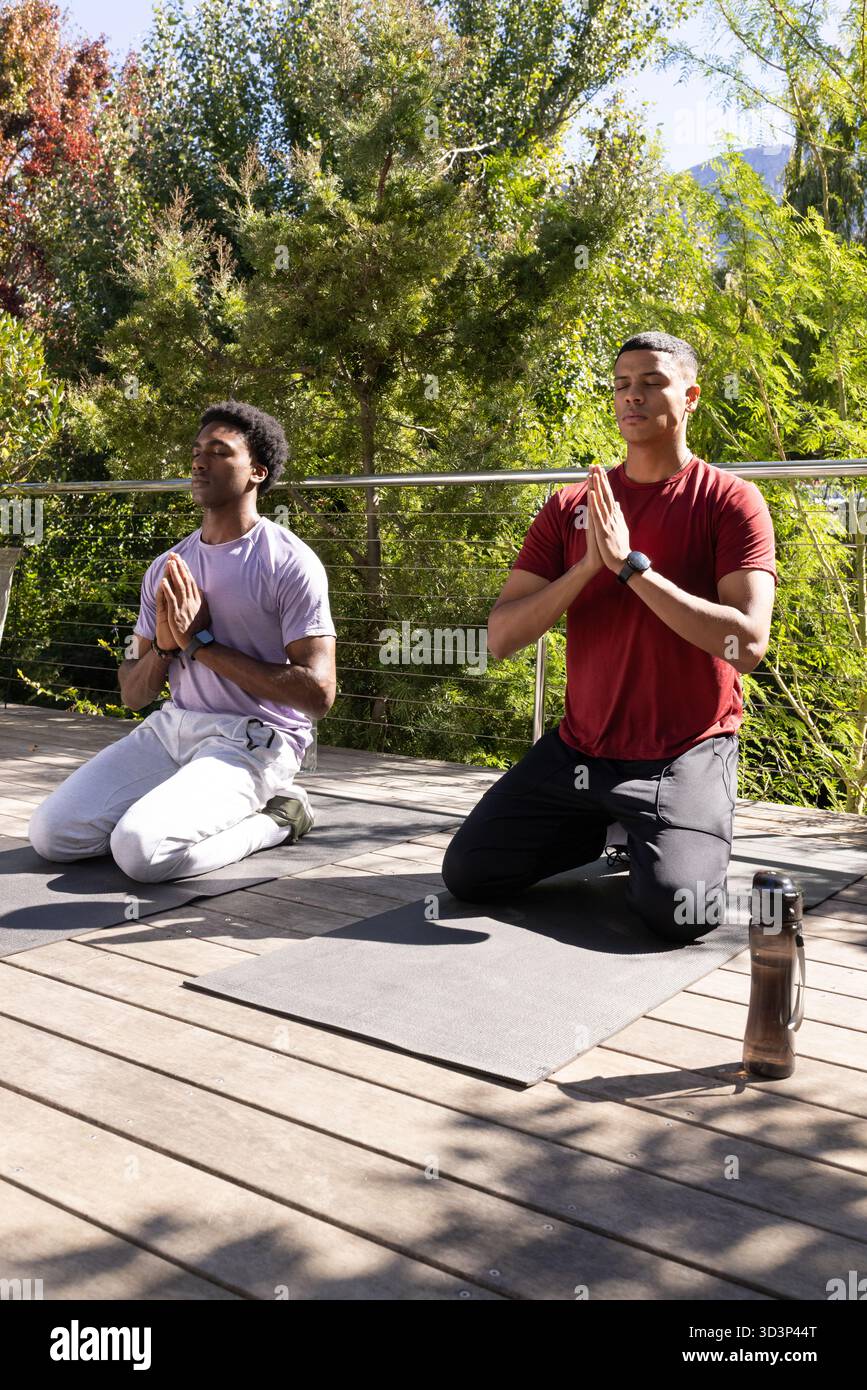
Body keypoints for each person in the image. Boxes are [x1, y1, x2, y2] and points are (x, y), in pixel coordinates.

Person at [441, 332, 778, 942]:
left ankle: (656, 830)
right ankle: (607, 824)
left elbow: (746, 647)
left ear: (691, 396)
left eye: (652, 383)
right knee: (470, 872)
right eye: (623, 385)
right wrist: (586, 569)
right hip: (582, 752)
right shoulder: (571, 505)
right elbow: (500, 638)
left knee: (682, 910)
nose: (633, 397)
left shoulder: (731, 501)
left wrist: (630, 566)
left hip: (685, 749)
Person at [28, 400, 337, 883]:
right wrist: (168, 649)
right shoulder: (166, 567)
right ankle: (180, 800)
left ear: (257, 471)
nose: (198, 462)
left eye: (218, 452)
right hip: (173, 729)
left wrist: (201, 643)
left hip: (253, 740)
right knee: (53, 836)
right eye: (197, 451)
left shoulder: (289, 563)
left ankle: (279, 818)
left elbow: (318, 695)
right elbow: (133, 693)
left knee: (139, 852)